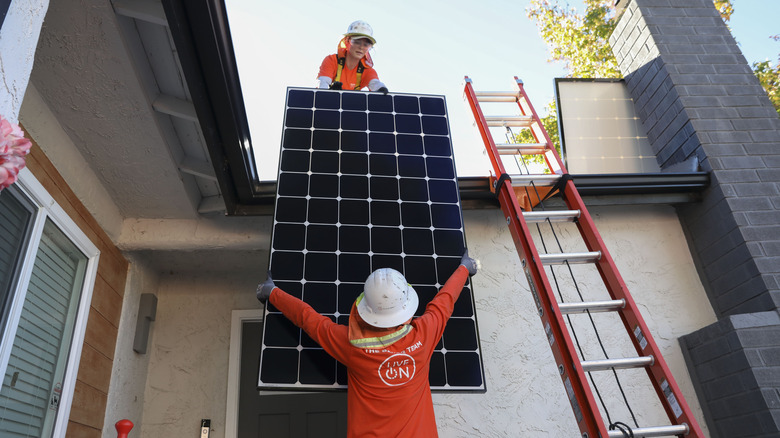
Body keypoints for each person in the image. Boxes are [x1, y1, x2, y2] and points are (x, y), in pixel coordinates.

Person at [257, 251, 479, 437]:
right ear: (406, 308)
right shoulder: (423, 336)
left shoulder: (352, 346)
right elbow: (444, 301)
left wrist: (273, 292)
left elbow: (310, 320)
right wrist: (464, 268)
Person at [317, 20, 388, 93]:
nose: (361, 47)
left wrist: (381, 88)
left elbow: (375, 84)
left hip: (351, 103)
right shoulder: (332, 60)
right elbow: (323, 83)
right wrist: (330, 94)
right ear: (347, 41)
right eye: (357, 42)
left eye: (366, 45)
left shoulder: (367, 70)